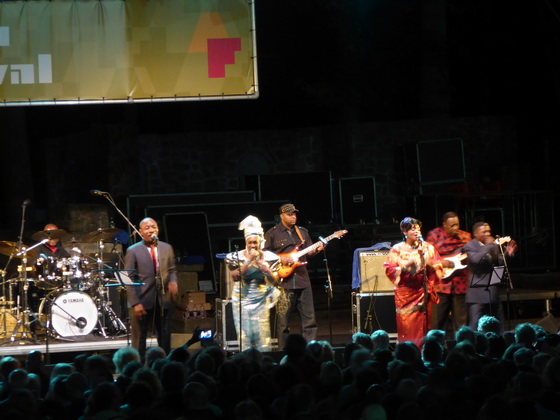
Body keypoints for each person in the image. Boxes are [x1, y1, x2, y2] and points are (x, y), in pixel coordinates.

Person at [263, 203, 325, 347]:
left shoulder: (302, 232)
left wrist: (318, 249)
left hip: (303, 280)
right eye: (289, 214)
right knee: (283, 323)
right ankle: (284, 351)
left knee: (309, 320)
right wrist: (280, 259)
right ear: (281, 216)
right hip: (284, 283)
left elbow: (309, 253)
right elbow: (264, 255)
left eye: (294, 214)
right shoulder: (272, 233)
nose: (293, 217)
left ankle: (310, 349)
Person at [124, 217, 178, 360]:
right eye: (147, 228)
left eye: (153, 227)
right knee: (139, 340)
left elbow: (172, 270)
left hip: (163, 299)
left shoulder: (166, 248)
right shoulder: (133, 250)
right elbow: (127, 278)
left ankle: (164, 365)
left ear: (158, 229)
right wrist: (135, 303)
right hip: (141, 300)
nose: (151, 230)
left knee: (165, 337)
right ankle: (138, 367)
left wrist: (173, 282)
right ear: (140, 232)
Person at [383, 217, 443, 345]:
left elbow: (438, 268)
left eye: (418, 229)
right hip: (406, 295)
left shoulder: (428, 248)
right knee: (408, 328)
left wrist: (429, 263)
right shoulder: (397, 249)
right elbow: (390, 271)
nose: (416, 231)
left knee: (425, 327)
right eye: (412, 229)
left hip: (423, 292)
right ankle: (409, 351)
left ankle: (424, 352)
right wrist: (408, 264)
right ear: (405, 232)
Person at [225, 215, 281, 351]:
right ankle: (246, 358)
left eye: (255, 242)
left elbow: (275, 280)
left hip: (260, 298)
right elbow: (236, 277)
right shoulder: (236, 257)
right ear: (246, 242)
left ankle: (263, 359)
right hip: (242, 298)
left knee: (262, 335)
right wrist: (248, 260)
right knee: (244, 335)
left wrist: (266, 269)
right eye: (250, 242)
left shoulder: (269, 258)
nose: (252, 245)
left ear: (260, 242)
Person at [463, 221, 517, 331]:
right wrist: (489, 246)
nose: (487, 234)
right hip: (477, 294)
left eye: (488, 231)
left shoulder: (492, 245)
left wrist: (507, 255)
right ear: (475, 233)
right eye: (484, 232)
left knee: (499, 325)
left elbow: (499, 262)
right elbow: (476, 260)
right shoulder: (469, 246)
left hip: (492, 292)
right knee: (475, 325)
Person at [425, 212, 472, 336]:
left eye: (457, 225)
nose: (455, 228)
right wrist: (441, 262)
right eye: (452, 226)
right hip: (441, 285)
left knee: (462, 324)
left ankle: (462, 345)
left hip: (461, 285)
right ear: (444, 225)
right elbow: (426, 257)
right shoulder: (434, 235)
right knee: (437, 323)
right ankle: (435, 345)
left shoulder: (465, 236)